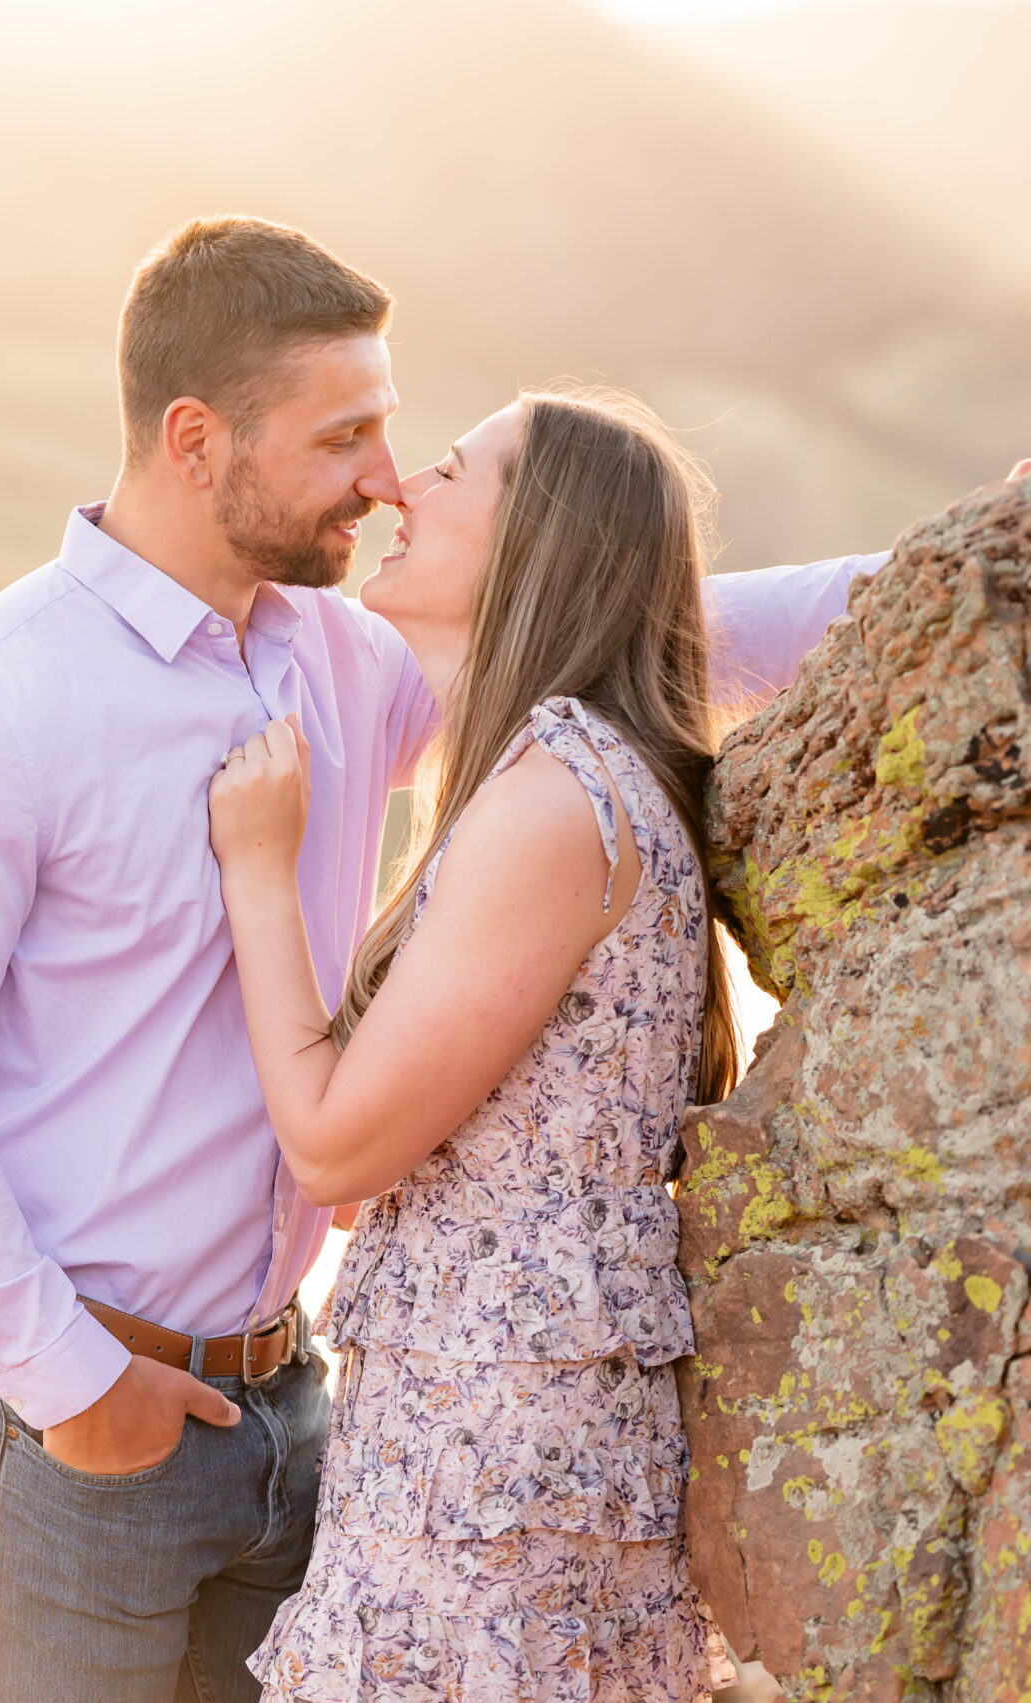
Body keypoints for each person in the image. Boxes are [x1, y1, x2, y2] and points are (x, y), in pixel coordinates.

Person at [0, 216, 895, 1702]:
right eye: (347, 437)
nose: (386, 476)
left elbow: (647, 626)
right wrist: (77, 1387)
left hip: (287, 1412)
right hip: (53, 1430)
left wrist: (941, 567)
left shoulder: (335, 655)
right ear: (197, 440)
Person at [209, 389, 742, 1701]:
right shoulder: (555, 778)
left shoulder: (555, 799)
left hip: (494, 1478)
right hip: (484, 1445)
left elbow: (334, 1150)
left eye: (450, 470)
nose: (401, 489)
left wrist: (261, 876)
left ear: (536, 540)